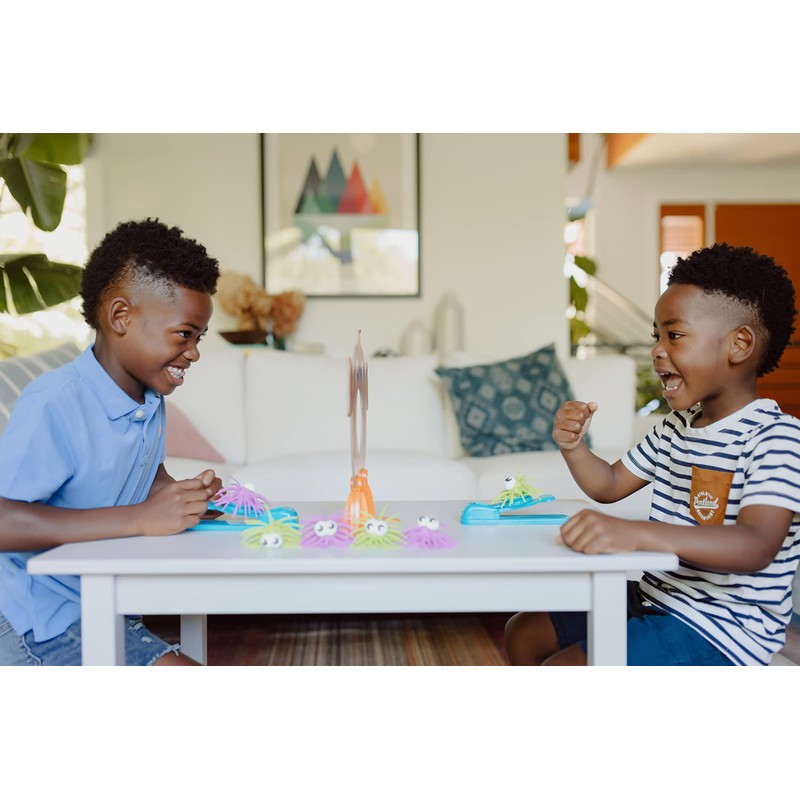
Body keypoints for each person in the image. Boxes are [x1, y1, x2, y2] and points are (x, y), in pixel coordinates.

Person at [505, 242, 800, 666]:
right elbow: (608, 485)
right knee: (524, 631)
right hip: (657, 595)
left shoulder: (776, 438)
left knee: (561, 669)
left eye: (674, 335)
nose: (658, 349)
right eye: (656, 336)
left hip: (721, 628)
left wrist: (637, 533)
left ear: (739, 345)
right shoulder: (676, 427)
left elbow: (755, 546)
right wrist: (573, 446)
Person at [0, 218, 223, 666]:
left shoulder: (149, 399)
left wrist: (181, 496)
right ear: (121, 317)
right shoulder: (56, 401)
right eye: (184, 334)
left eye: (199, 337)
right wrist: (141, 518)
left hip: (98, 604)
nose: (195, 351)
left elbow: (142, 475)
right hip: (34, 619)